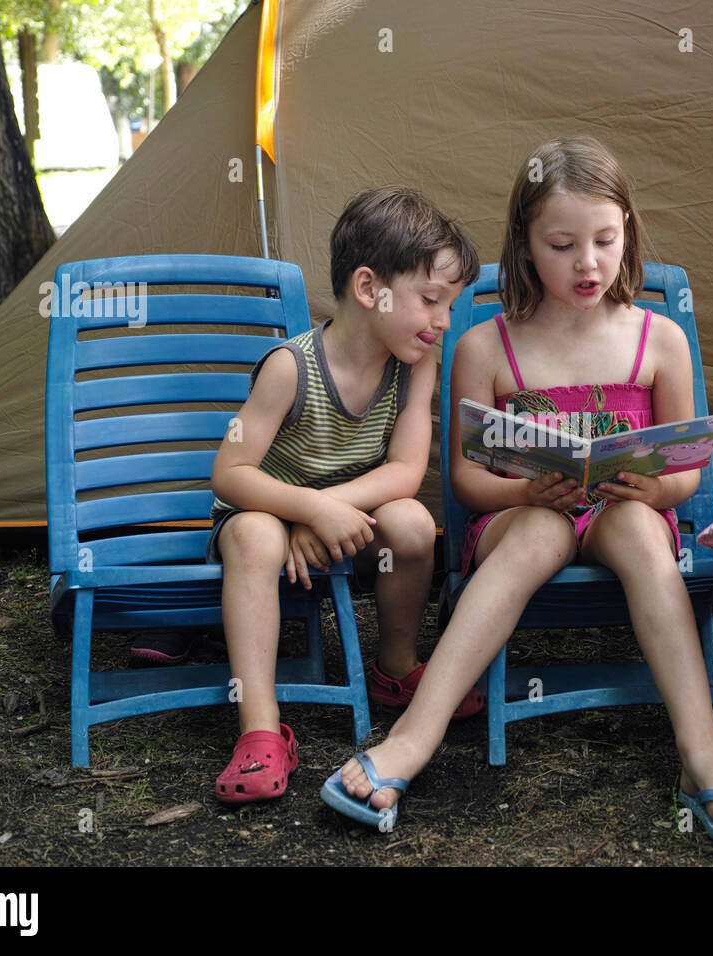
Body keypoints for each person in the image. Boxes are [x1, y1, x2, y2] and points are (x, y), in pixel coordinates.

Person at [322, 138, 713, 845]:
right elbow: (465, 480)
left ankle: (704, 754)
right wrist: (524, 496)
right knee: (543, 531)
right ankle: (414, 739)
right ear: (525, 245)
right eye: (563, 244)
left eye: (605, 239)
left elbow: (689, 470)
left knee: (635, 527)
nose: (588, 263)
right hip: (522, 519)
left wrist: (651, 484)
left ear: (627, 231)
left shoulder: (658, 340)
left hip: (626, 512)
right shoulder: (486, 346)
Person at [210, 186, 481, 804]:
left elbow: (407, 471)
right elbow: (229, 473)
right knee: (254, 533)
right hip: (266, 517)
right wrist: (307, 508)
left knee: (412, 523)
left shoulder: (416, 366)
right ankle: (258, 729)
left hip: (345, 521)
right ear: (369, 289)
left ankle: (394, 667)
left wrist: (333, 508)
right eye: (431, 301)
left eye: (449, 305)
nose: (444, 321)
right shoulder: (291, 368)